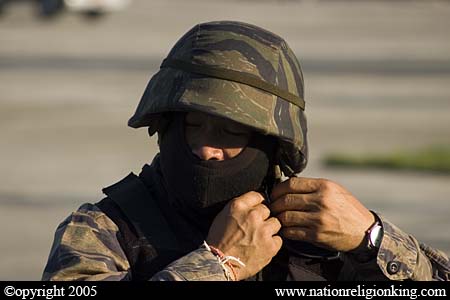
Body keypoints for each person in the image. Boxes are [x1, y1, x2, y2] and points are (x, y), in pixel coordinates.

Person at [42, 21, 449, 281]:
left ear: (273, 143)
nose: (205, 149)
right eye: (191, 126)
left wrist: (372, 239)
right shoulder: (103, 230)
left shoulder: (319, 229)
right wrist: (218, 265)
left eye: (230, 132)